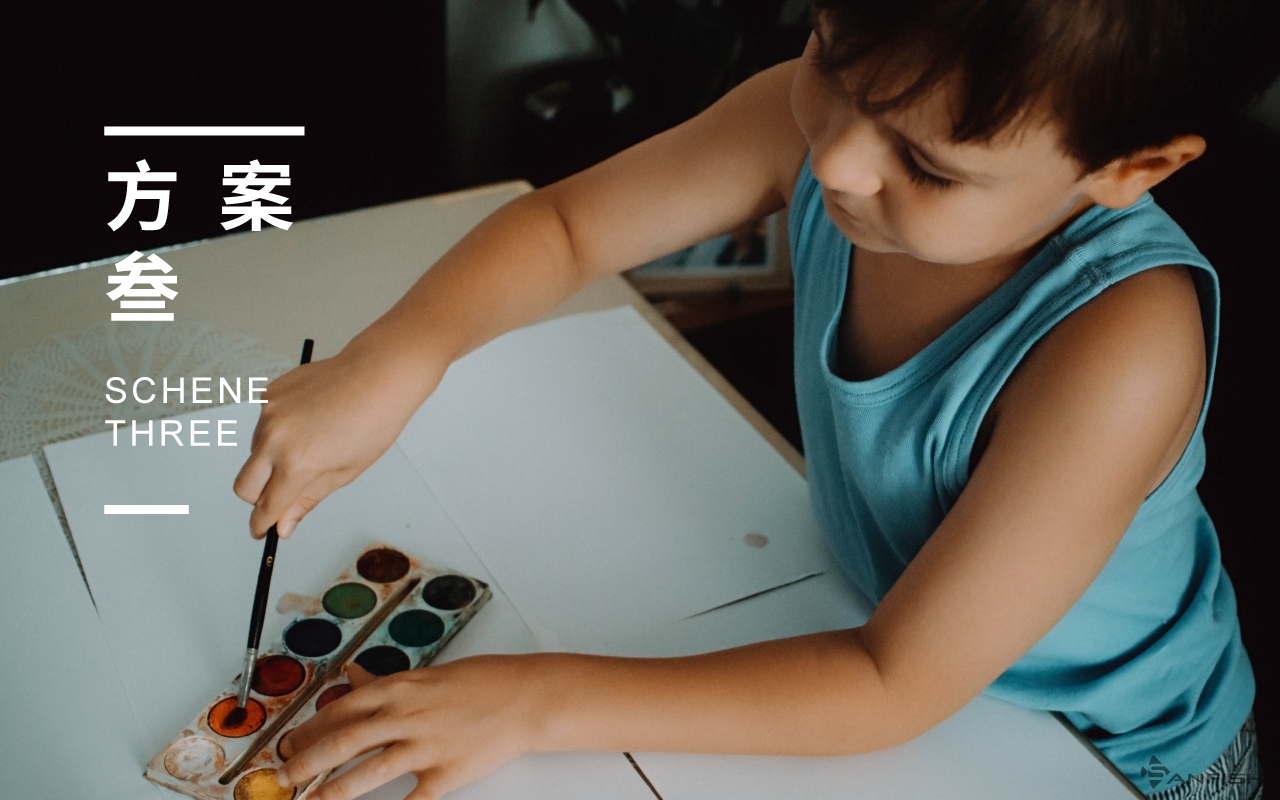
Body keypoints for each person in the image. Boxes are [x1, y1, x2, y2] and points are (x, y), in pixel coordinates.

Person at [234, 2, 1273, 798]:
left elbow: (891, 683)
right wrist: (395, 357)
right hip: (890, 641)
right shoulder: (828, 127)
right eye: (829, 55)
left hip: (1115, 751)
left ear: (1130, 169)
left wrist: (533, 699)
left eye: (926, 164)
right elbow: (565, 230)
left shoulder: (1121, 347)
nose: (839, 161)